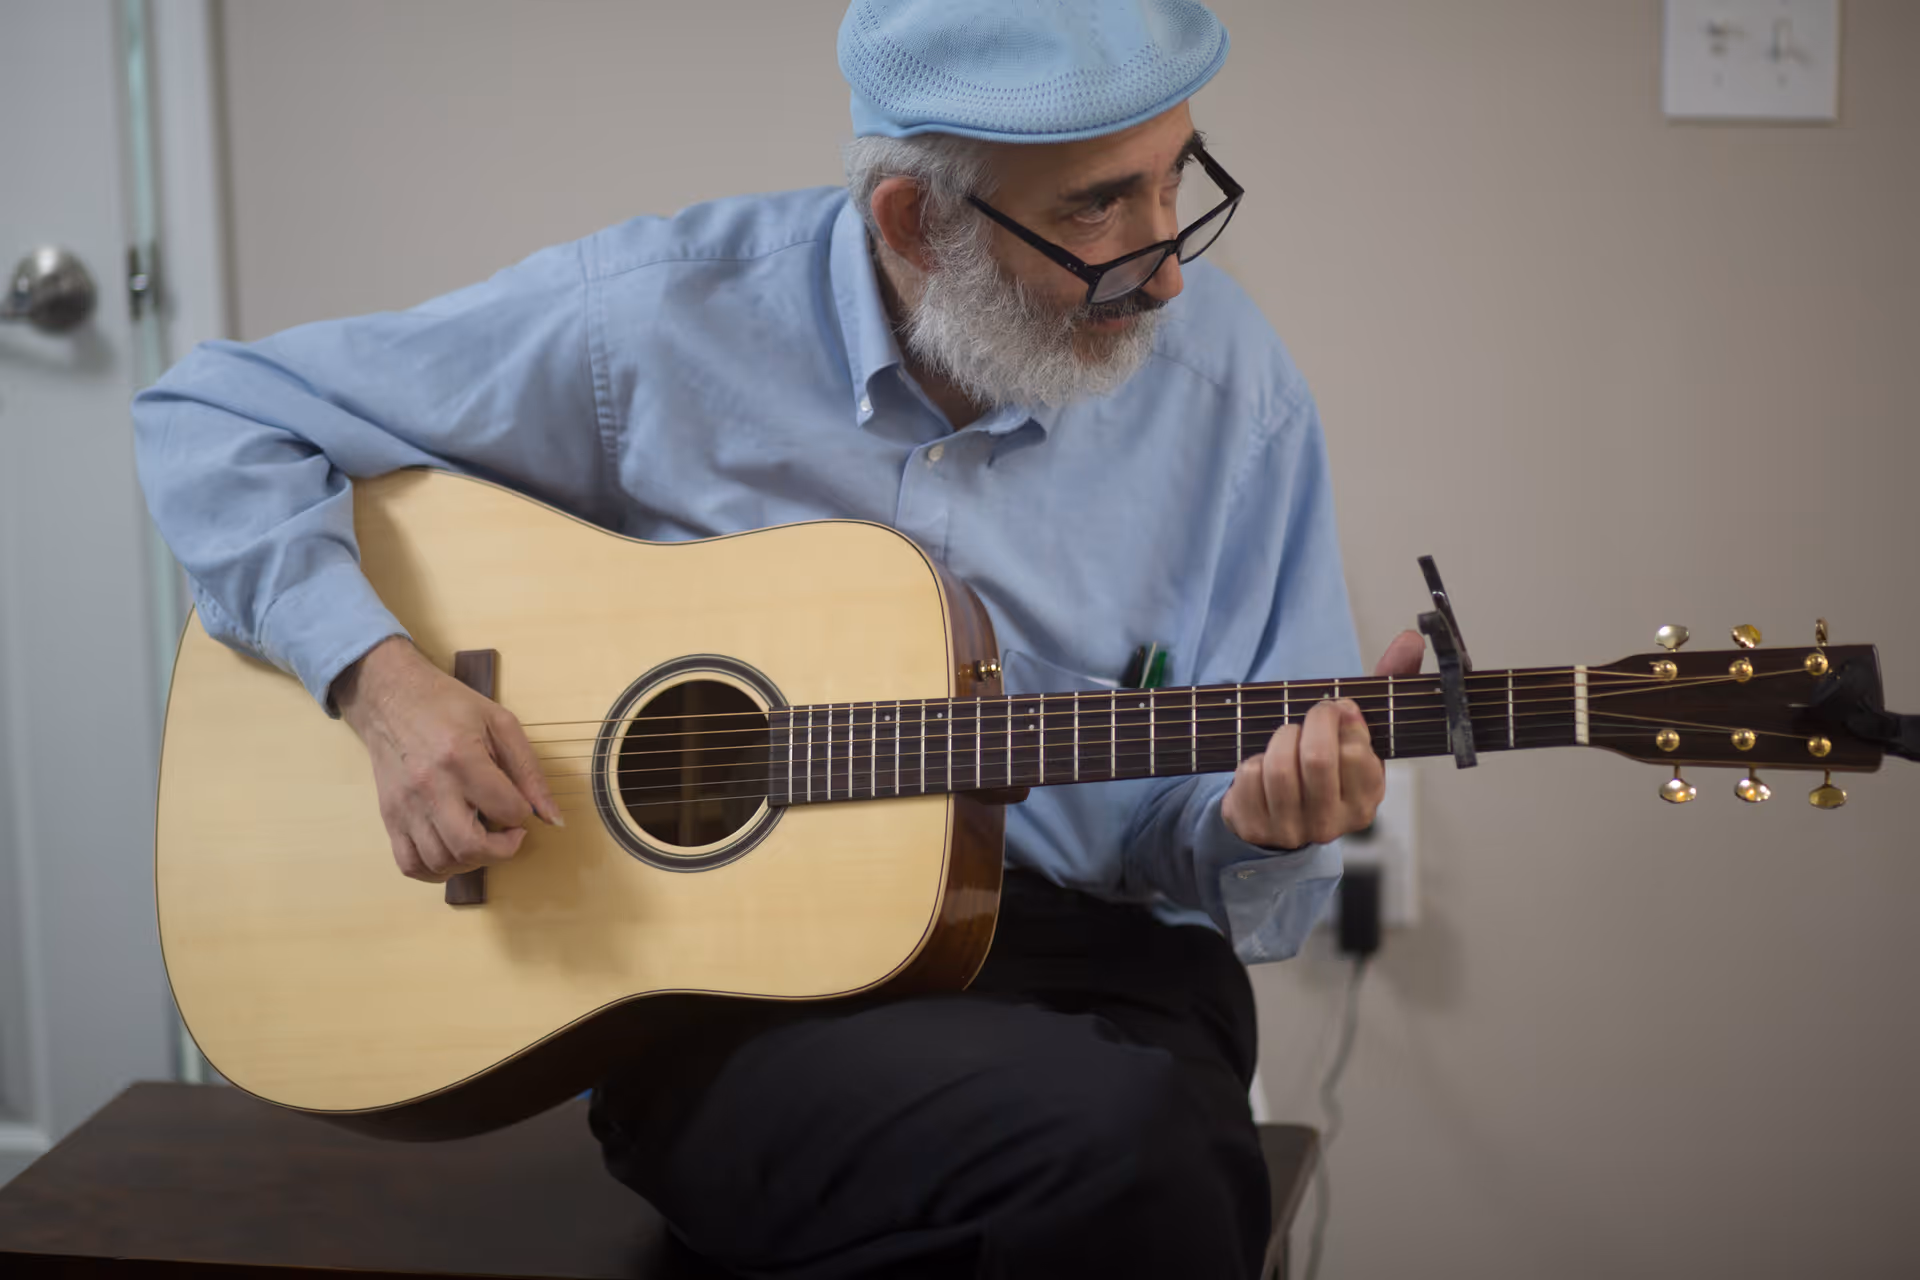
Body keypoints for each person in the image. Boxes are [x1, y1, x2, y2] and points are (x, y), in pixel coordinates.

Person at [134, 1, 1421, 1274]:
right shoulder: (651, 322)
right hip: (736, 1004)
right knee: (1133, 1151)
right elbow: (213, 414)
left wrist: (1255, 821)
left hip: (1091, 962)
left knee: (1152, 1147)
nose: (1170, 262)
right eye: (1097, 206)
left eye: (1172, 180)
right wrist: (380, 682)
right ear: (916, 221)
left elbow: (1193, 842)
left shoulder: (1228, 392)